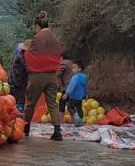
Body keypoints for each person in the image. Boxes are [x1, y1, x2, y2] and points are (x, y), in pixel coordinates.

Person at [23, 11, 63, 141]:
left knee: (31, 103)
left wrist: (25, 52)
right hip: (52, 75)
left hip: (39, 75)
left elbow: (30, 55)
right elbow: (58, 54)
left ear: (37, 25)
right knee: (52, 103)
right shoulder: (54, 38)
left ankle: (26, 128)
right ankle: (57, 131)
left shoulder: (37, 38)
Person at [64, 59, 88, 126]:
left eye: (74, 68)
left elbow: (71, 86)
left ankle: (76, 116)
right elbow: (85, 87)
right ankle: (80, 122)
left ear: (79, 69)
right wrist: (85, 95)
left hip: (73, 96)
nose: (72, 69)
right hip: (80, 97)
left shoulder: (75, 77)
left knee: (70, 107)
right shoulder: (84, 77)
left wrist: (66, 93)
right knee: (79, 108)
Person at [7, 41, 29, 113]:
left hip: (19, 82)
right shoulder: (21, 57)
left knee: (19, 99)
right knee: (18, 99)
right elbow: (28, 69)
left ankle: (17, 115)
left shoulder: (23, 55)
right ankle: (17, 116)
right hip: (16, 82)